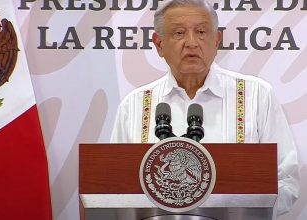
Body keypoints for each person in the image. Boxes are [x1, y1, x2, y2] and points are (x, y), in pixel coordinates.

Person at [110, 0, 299, 216]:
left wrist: (244, 210)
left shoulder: (256, 96)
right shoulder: (134, 105)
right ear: (159, 44)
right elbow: (114, 187)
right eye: (179, 33)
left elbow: (287, 179)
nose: (192, 43)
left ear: (216, 40)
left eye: (201, 32)